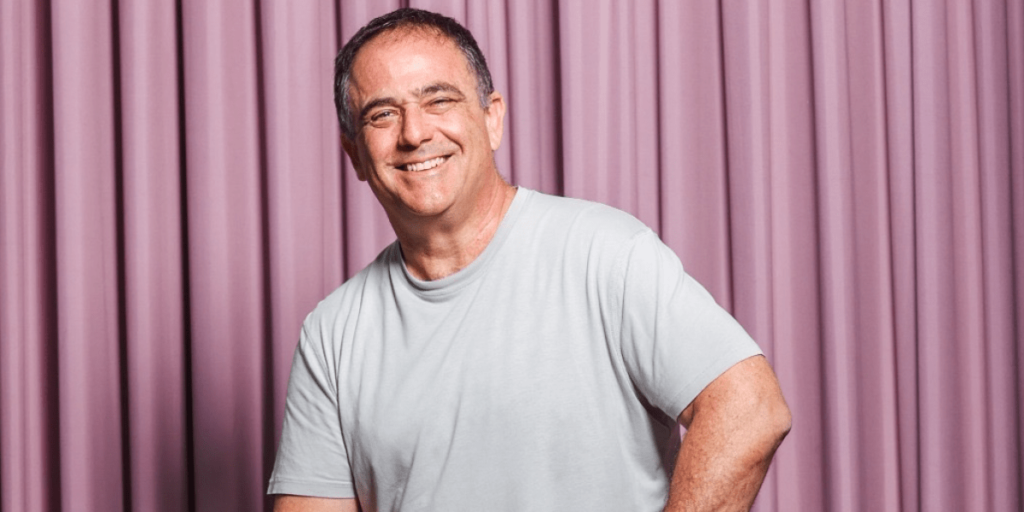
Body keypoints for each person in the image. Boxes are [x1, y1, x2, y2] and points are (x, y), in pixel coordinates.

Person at [268, 7, 790, 512]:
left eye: (439, 101)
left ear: (492, 118)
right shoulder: (331, 334)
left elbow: (752, 408)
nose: (414, 133)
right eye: (382, 114)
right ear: (355, 154)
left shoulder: (605, 253)